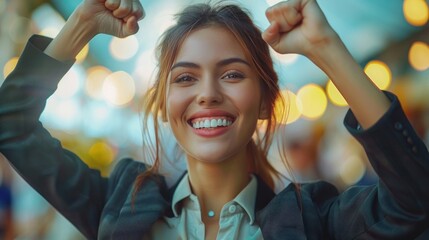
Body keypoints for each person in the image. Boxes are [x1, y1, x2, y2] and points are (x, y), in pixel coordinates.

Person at [0, 0, 428, 239]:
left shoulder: (315, 220)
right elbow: (10, 125)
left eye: (232, 74)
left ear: (264, 102)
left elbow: (416, 201)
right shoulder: (119, 208)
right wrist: (80, 25)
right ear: (165, 105)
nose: (207, 93)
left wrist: (327, 47)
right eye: (185, 77)